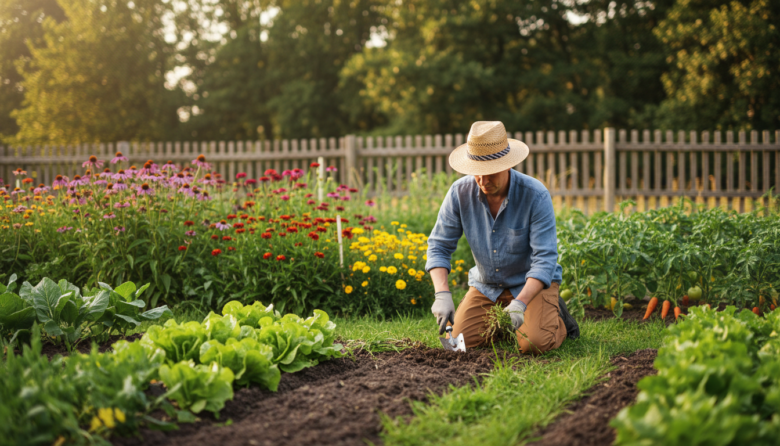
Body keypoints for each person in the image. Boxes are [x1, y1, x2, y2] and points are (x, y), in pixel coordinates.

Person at [425, 121, 579, 354]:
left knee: (533, 344)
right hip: (487, 286)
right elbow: (438, 246)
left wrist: (520, 302)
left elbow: (545, 259)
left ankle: (556, 318)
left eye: (490, 173)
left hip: (530, 285)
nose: (483, 181)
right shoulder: (459, 193)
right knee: (456, 346)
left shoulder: (535, 195)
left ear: (507, 165)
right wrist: (442, 294)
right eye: (477, 173)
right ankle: (511, 324)